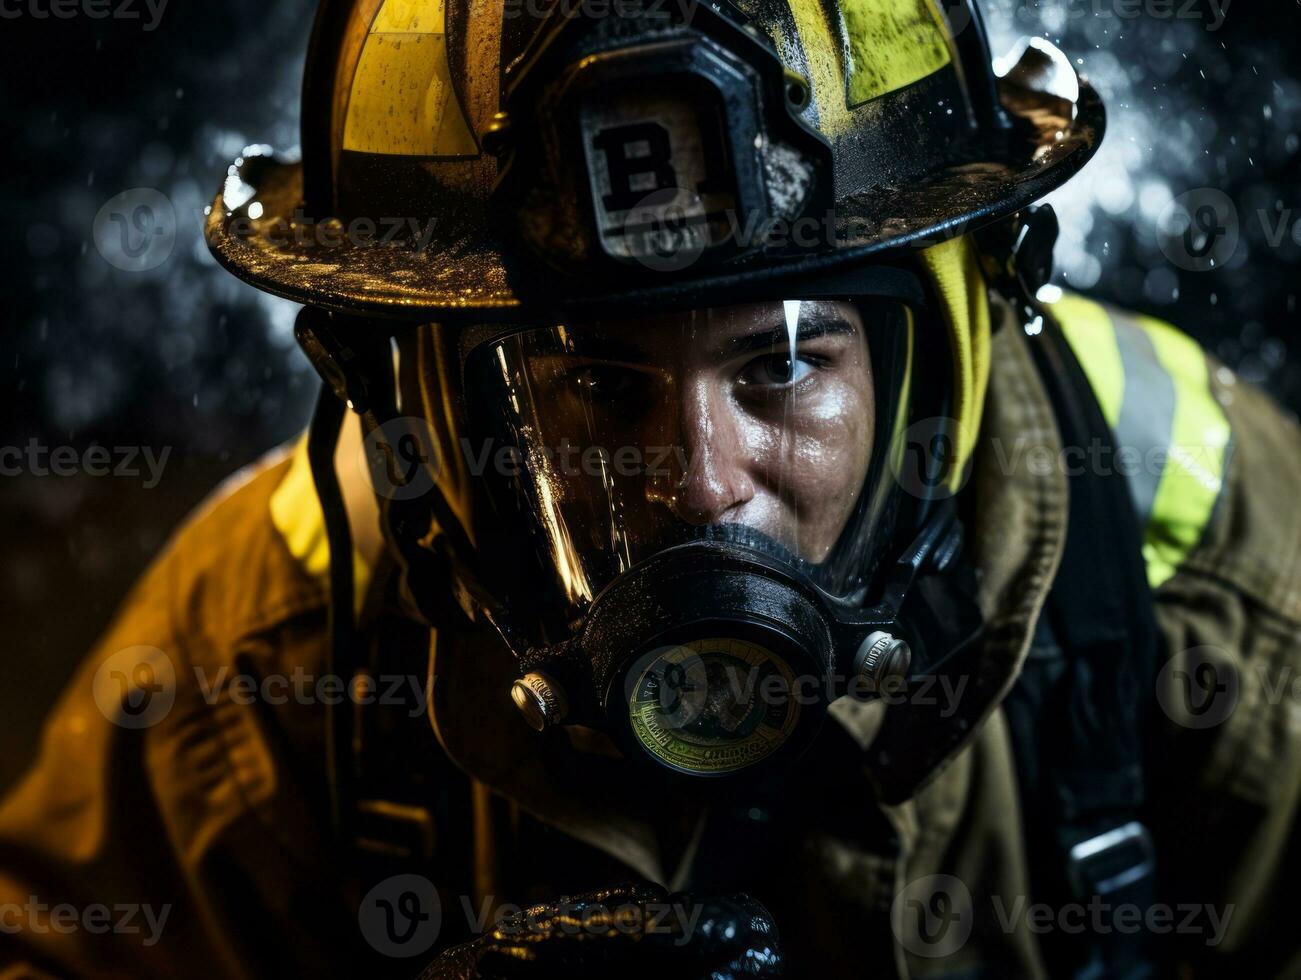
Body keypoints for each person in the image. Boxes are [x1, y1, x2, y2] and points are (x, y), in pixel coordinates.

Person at [3, 0, 1299, 977]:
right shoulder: (270, 642)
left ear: (959, 340)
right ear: (403, 394)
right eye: (587, 384)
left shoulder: (1219, 570)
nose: (694, 486)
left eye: (784, 361)